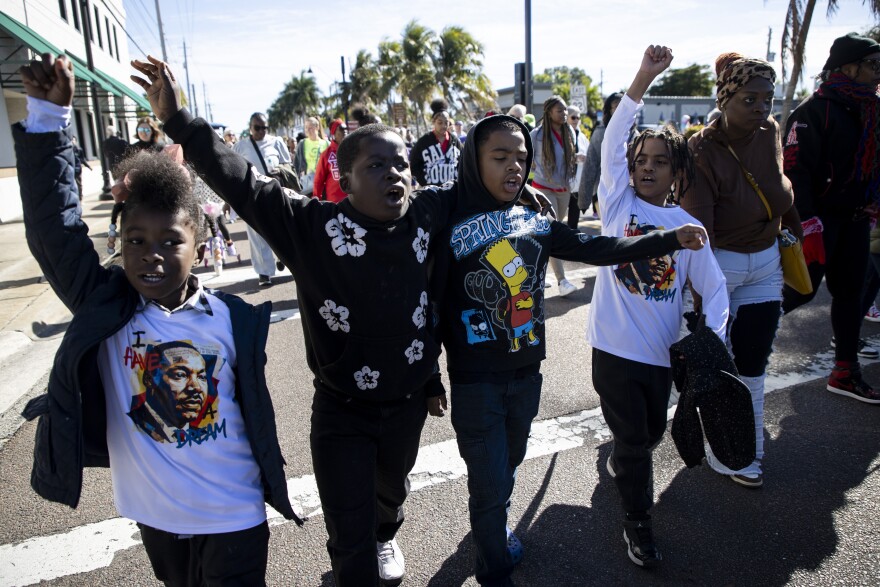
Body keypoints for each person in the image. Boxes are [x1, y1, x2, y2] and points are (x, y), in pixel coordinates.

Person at [131, 54, 470, 587]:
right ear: (346, 180)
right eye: (376, 166)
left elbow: (480, 195)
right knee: (348, 529)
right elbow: (241, 182)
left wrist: (429, 377)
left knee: (389, 494)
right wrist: (180, 122)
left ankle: (386, 535)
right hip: (341, 408)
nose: (394, 175)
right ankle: (352, 565)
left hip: (406, 404)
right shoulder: (311, 226)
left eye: (401, 163)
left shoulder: (428, 212)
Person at [16, 53, 298, 586]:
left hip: (236, 514)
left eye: (172, 241)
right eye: (136, 242)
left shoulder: (231, 319)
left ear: (199, 242)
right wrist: (49, 119)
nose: (152, 256)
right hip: (157, 521)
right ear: (119, 245)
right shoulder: (108, 307)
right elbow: (54, 231)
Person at [431, 109, 710, 585]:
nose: (514, 167)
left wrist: (669, 238)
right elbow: (431, 301)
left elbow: (597, 247)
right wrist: (427, 376)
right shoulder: (444, 215)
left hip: (526, 374)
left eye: (521, 157)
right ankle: (494, 565)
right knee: (488, 479)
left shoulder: (533, 217)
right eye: (499, 157)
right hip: (475, 379)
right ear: (473, 159)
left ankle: (492, 526)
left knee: (510, 462)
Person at [587, 45, 728, 568]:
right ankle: (638, 525)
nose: (647, 167)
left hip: (660, 358)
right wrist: (644, 77)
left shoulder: (686, 230)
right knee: (632, 440)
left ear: (677, 171)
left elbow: (714, 292)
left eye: (659, 161)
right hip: (611, 349)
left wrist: (710, 339)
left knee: (647, 435)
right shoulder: (617, 204)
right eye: (640, 160)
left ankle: (628, 465)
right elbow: (614, 142)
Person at [684, 51, 803, 488]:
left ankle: (746, 452)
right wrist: (703, 305)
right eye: (749, 99)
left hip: (767, 264)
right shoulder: (701, 148)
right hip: (722, 266)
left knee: (754, 362)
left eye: (767, 100)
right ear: (725, 98)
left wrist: (794, 227)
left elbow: (779, 184)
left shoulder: (770, 131)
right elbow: (701, 233)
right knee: (721, 364)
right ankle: (723, 446)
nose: (760, 109)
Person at [781, 32, 880, 404]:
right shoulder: (813, 110)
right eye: (873, 65)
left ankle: (845, 372)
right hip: (819, 221)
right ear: (847, 67)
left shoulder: (871, 108)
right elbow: (795, 170)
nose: (878, 73)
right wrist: (806, 222)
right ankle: (737, 335)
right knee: (800, 291)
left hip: (856, 218)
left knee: (851, 295)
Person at [232, 112, 291, 286]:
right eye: (258, 128)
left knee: (282, 229)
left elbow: (288, 164)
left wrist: (280, 171)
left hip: (276, 192)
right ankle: (264, 272)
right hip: (253, 195)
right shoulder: (240, 146)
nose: (261, 131)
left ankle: (283, 257)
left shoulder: (276, 142)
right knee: (257, 234)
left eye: (265, 127)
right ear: (250, 127)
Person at [530, 96, 579, 296]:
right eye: (560, 110)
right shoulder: (537, 134)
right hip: (543, 189)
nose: (564, 114)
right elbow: (527, 158)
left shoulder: (570, 133)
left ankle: (536, 275)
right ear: (549, 111)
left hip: (564, 190)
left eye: (566, 110)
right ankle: (562, 280)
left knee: (547, 234)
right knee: (553, 231)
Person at [580, 93, 625, 221]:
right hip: (603, 192)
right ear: (609, 110)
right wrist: (584, 200)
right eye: (616, 106)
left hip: (628, 192)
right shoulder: (600, 133)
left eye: (624, 105)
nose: (620, 108)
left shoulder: (634, 133)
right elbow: (589, 166)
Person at [410, 98, 462, 186]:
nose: (444, 126)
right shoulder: (423, 141)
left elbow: (463, 161)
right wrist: (424, 181)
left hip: (453, 190)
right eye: (440, 122)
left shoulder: (455, 140)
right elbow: (414, 165)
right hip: (431, 192)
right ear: (434, 122)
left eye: (446, 122)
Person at [312, 118, 348, 202]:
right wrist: (316, 199)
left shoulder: (352, 151)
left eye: (346, 129)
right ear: (334, 133)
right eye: (341, 129)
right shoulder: (326, 154)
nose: (345, 131)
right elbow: (318, 180)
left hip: (353, 201)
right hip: (335, 202)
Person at [293, 116, 329, 192]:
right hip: (307, 183)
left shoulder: (326, 144)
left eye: (310, 127)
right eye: (306, 127)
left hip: (324, 183)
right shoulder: (302, 144)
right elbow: (296, 165)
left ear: (317, 127)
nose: (308, 130)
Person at [566, 105, 588, 229]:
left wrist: (585, 158)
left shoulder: (582, 136)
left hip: (578, 182)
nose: (576, 120)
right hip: (562, 182)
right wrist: (573, 158)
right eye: (573, 117)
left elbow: (588, 152)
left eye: (578, 118)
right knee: (558, 215)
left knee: (574, 214)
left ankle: (571, 239)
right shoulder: (562, 134)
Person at [69, 135, 91, 200]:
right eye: (71, 140)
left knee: (79, 184)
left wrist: (88, 166)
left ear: (76, 141)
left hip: (77, 169)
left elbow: (82, 159)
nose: (72, 141)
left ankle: (80, 197)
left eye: (74, 140)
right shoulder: (69, 150)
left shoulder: (79, 149)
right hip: (71, 169)